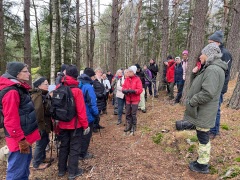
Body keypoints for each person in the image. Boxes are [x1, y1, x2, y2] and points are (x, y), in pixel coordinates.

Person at [184, 43, 227, 174]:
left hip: (204, 110)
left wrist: (192, 102)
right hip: (203, 110)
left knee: (203, 137)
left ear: (208, 54)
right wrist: (194, 73)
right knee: (202, 135)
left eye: (202, 53)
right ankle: (202, 161)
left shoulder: (213, 69)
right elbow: (197, 85)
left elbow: (208, 93)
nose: (200, 56)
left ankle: (202, 164)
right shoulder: (209, 68)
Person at [0, 62, 40, 179]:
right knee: (16, 172)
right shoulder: (12, 91)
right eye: (25, 71)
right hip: (19, 140)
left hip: (24, 137)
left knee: (23, 170)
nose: (28, 73)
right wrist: (21, 140)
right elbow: (10, 120)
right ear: (17, 74)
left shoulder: (18, 88)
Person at [57, 65, 90, 179]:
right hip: (75, 124)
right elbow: (81, 110)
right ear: (76, 76)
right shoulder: (77, 91)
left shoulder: (59, 87)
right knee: (74, 148)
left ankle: (61, 170)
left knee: (63, 146)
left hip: (62, 123)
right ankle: (72, 172)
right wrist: (85, 125)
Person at [208, 30, 233, 139]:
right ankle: (210, 127)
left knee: (216, 108)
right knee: (210, 108)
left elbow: (224, 71)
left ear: (217, 42)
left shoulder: (225, 54)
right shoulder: (214, 52)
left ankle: (214, 131)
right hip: (212, 85)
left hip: (219, 87)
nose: (209, 45)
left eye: (210, 43)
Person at [31, 77, 53, 170]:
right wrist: (40, 126)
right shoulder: (37, 95)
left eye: (48, 84)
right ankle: (36, 163)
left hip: (44, 123)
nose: (47, 86)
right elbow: (38, 112)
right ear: (39, 85)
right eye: (45, 84)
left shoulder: (43, 94)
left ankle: (42, 158)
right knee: (40, 143)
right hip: (41, 124)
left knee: (44, 141)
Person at [78, 68, 99, 160]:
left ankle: (78, 152)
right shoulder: (88, 87)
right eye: (94, 76)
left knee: (80, 134)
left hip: (79, 114)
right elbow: (92, 103)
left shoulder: (79, 84)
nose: (94, 78)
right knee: (86, 135)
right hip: (87, 114)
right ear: (91, 76)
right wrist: (96, 114)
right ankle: (83, 153)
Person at [122, 66, 143, 134]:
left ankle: (134, 126)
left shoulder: (137, 79)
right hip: (128, 98)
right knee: (127, 113)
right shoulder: (127, 79)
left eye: (130, 71)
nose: (128, 73)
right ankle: (129, 125)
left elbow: (140, 89)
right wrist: (124, 91)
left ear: (134, 72)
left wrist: (134, 91)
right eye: (128, 71)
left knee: (133, 113)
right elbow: (123, 87)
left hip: (135, 99)